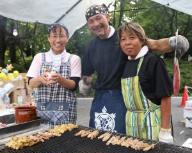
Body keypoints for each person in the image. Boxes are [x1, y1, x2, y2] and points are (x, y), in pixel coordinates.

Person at [80, 4, 189, 135]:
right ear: (88, 25)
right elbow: (87, 74)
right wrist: (84, 84)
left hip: (122, 97)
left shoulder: (123, 37)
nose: (96, 24)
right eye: (91, 21)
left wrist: (174, 41)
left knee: (119, 141)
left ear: (108, 17)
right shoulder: (90, 47)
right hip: (100, 97)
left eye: (98, 18)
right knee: (97, 137)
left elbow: (154, 44)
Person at [119, 21, 173, 143]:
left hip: (152, 124)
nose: (127, 42)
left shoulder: (153, 61)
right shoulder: (126, 64)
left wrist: (165, 131)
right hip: (131, 124)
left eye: (132, 38)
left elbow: (165, 97)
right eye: (123, 39)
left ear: (142, 40)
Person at [27, 23, 81, 125]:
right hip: (42, 111)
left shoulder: (73, 59)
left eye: (61, 36)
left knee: (65, 139)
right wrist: (40, 79)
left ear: (67, 38)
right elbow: (30, 83)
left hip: (66, 112)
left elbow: (74, 85)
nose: (58, 40)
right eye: (54, 36)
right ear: (49, 38)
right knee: (41, 139)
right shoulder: (39, 57)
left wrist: (60, 79)